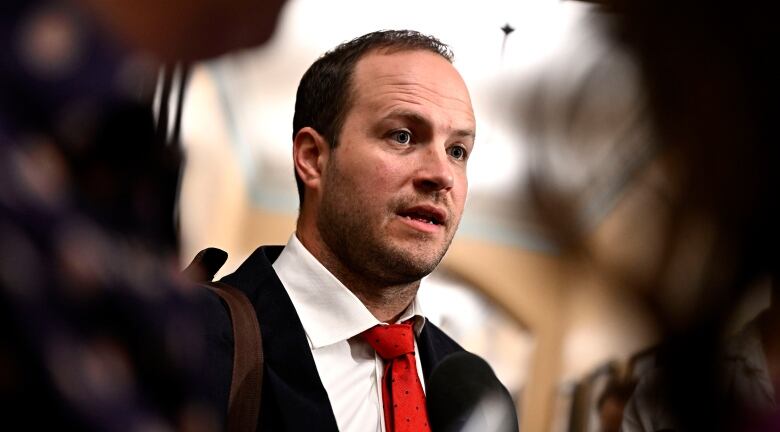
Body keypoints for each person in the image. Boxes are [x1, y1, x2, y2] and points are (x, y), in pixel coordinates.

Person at [195, 30, 511, 432]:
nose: (442, 175)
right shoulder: (190, 340)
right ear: (312, 158)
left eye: (457, 151)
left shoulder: (478, 395)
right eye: (403, 136)